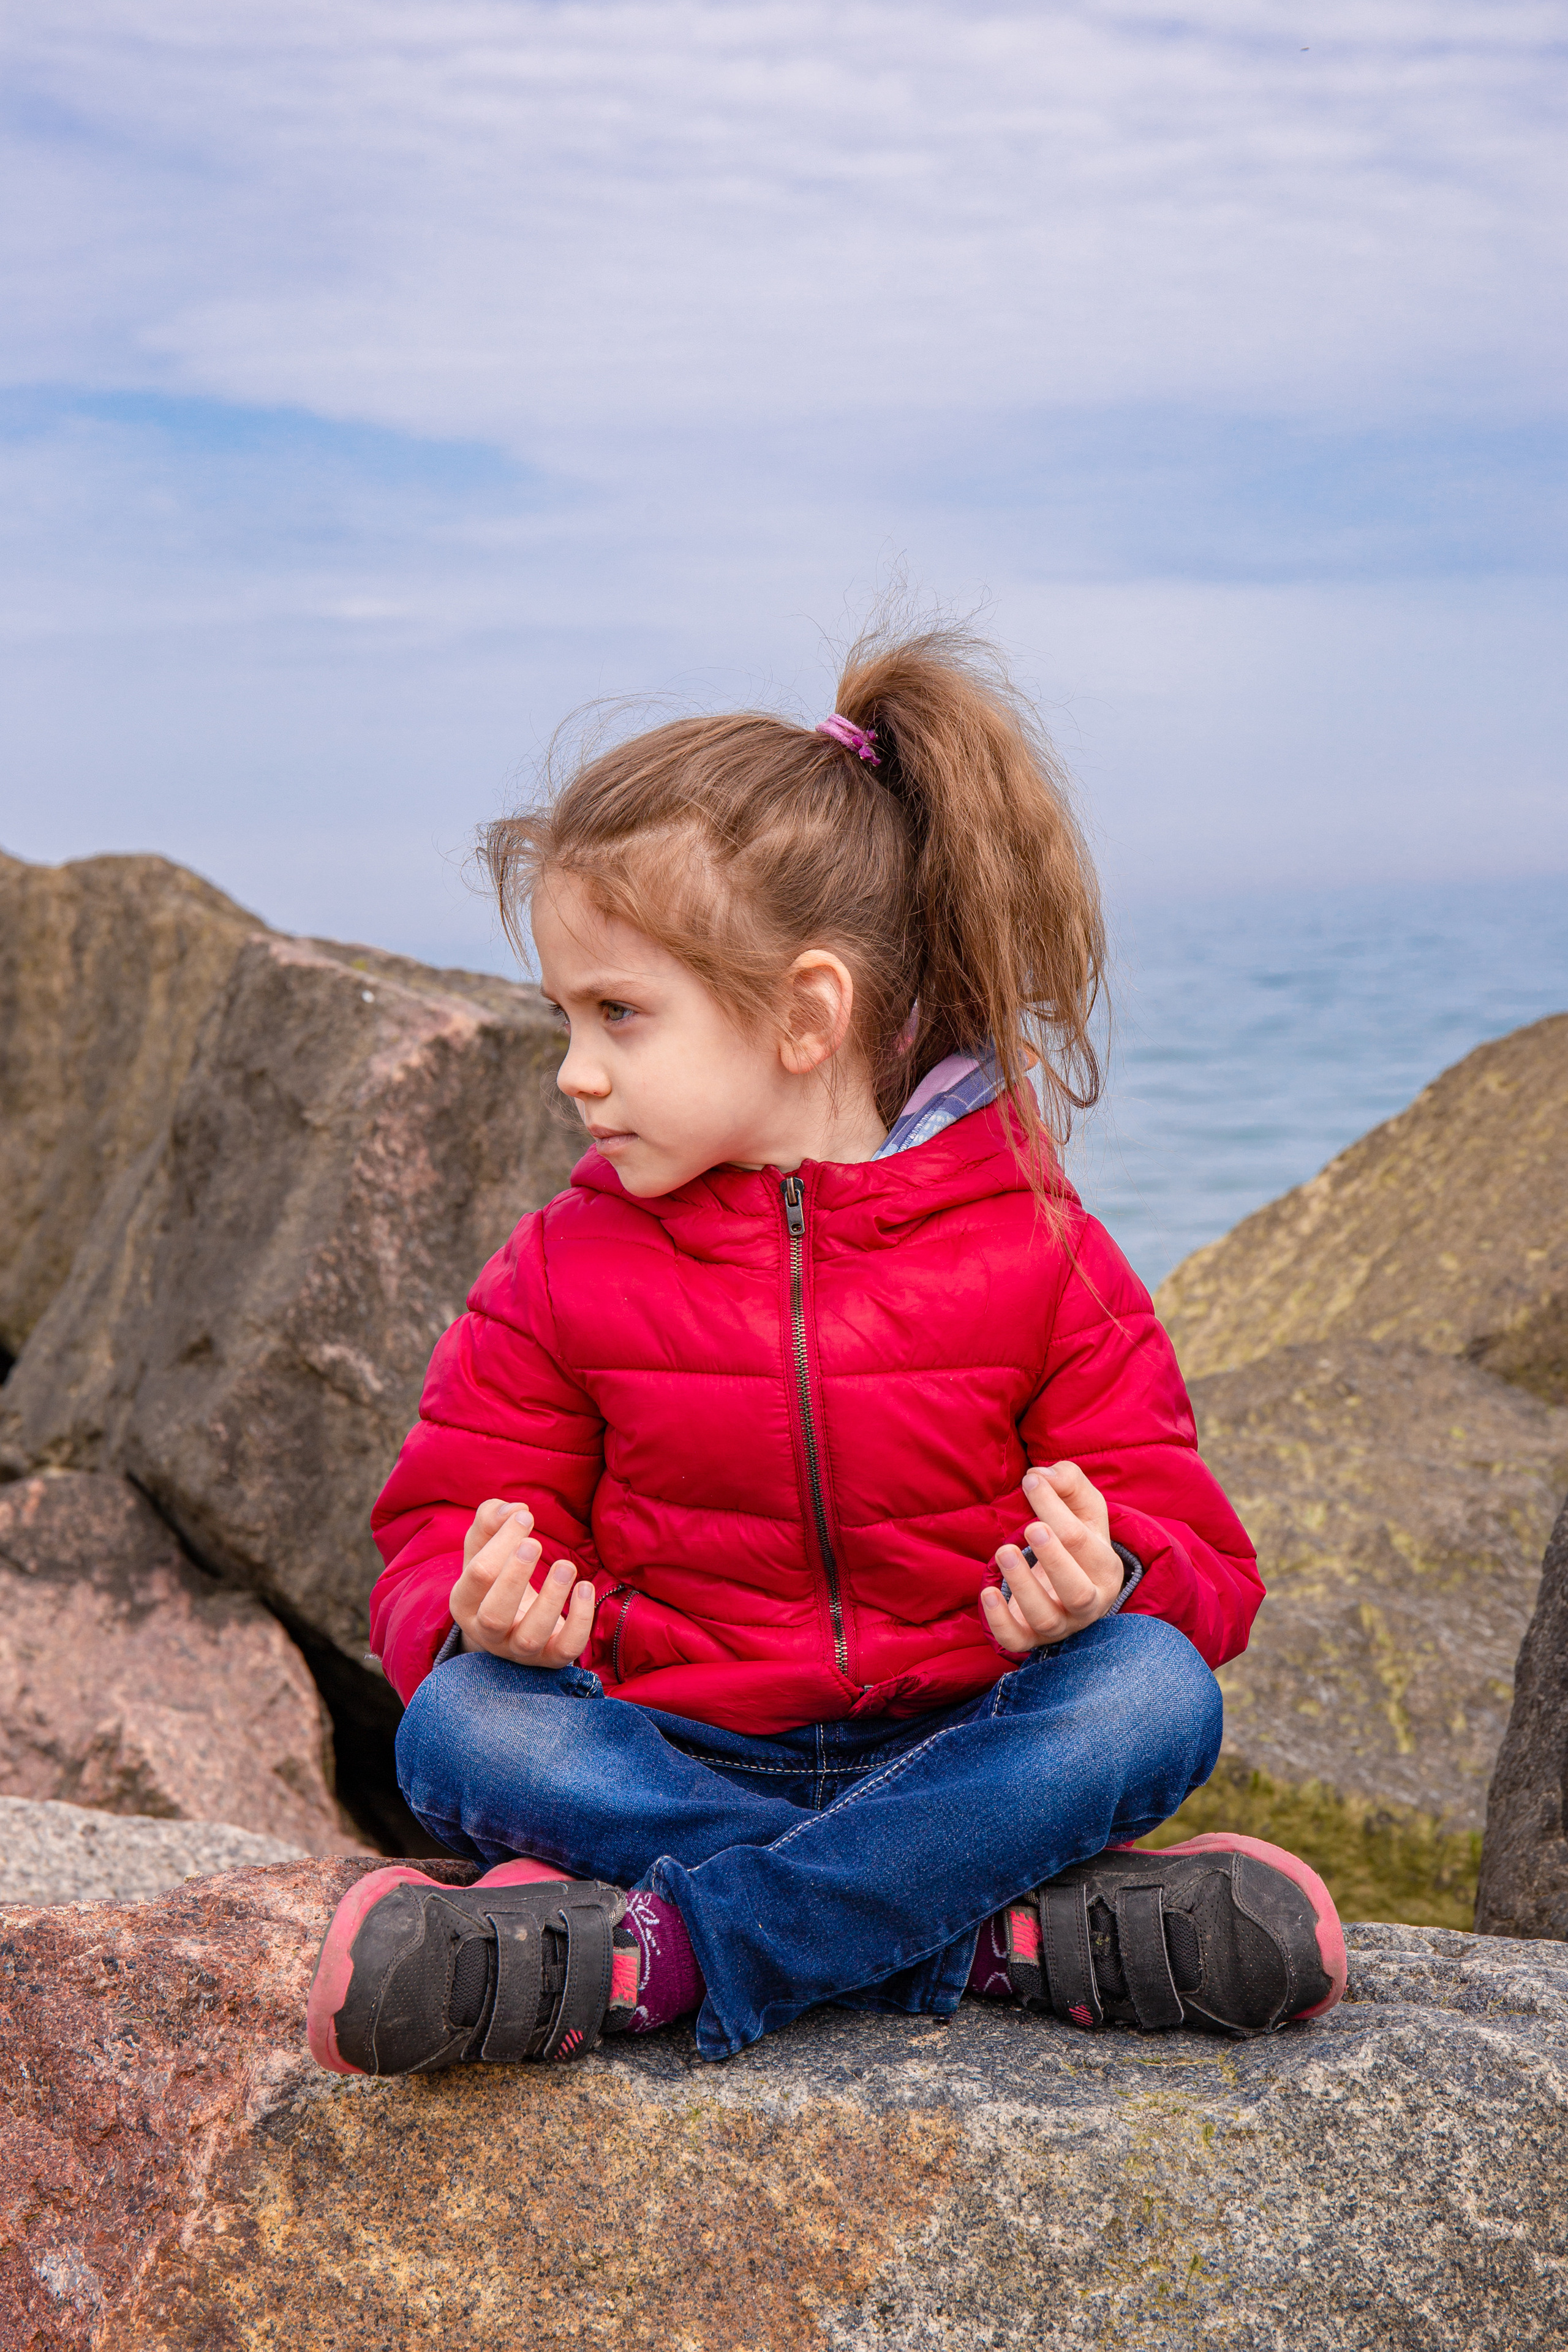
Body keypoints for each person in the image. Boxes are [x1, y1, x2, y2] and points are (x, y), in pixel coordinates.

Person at [306, 623, 1346, 2077]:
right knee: (466, 1726)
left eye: (618, 1012)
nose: (573, 1068)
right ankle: (981, 1932)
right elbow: (433, 1533)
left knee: (1151, 1693)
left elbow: (1198, 1562)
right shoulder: (559, 1267)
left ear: (803, 1014)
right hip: (667, 1755)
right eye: (563, 1014)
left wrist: (1107, 1577)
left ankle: (671, 1951)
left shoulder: (1035, 1249)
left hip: (961, 1740)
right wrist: (480, 1611)